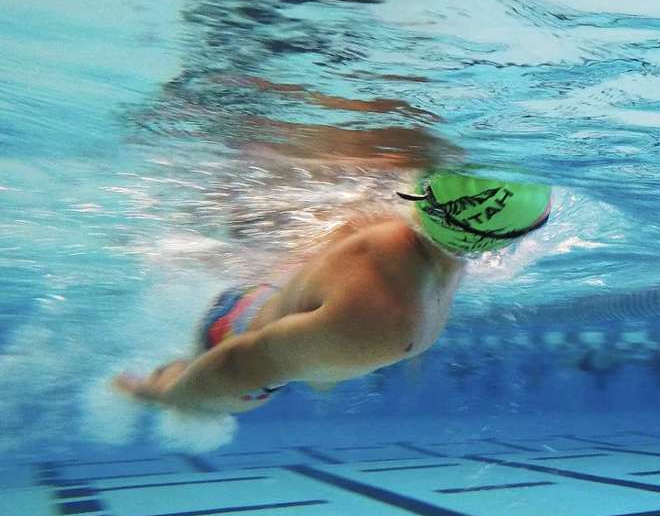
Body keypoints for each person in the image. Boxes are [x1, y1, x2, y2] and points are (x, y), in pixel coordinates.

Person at [114, 172, 551, 414]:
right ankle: (145, 389)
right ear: (498, 237)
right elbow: (238, 364)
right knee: (202, 398)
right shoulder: (388, 319)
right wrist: (165, 395)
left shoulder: (416, 248)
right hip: (230, 336)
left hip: (270, 304)